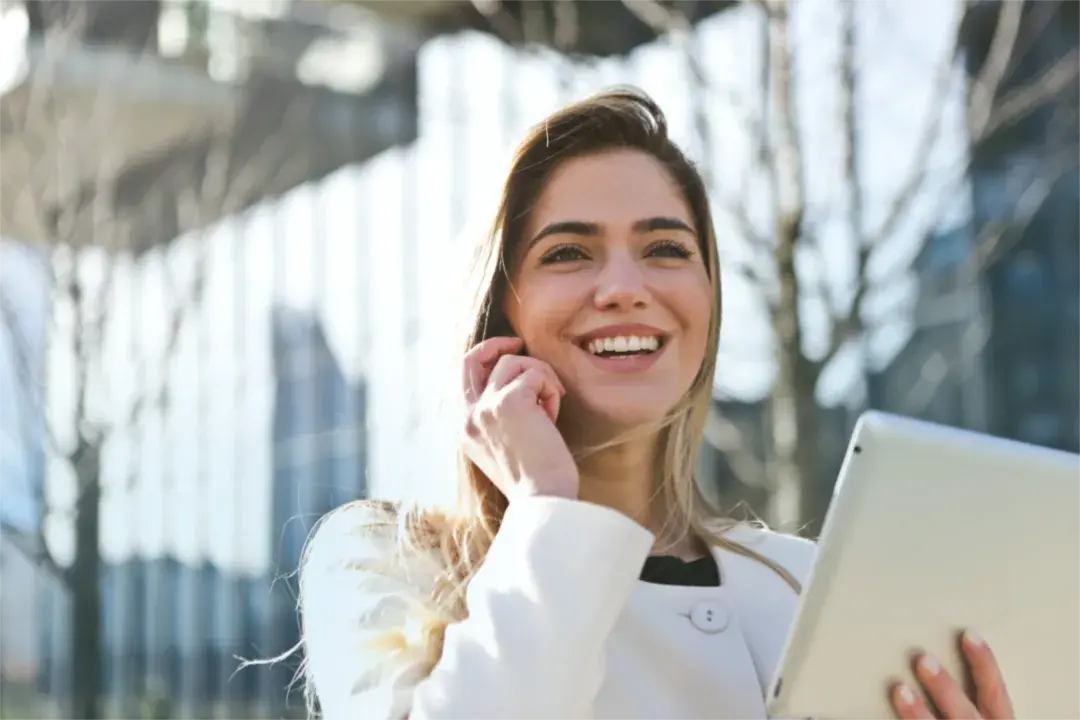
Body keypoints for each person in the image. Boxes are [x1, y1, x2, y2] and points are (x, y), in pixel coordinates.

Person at [298, 88, 1014, 720]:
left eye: (666, 249)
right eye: (568, 253)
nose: (624, 287)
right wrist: (548, 506)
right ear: (497, 314)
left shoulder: (804, 582)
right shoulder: (381, 562)